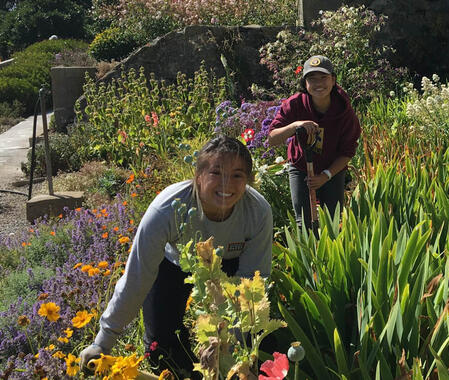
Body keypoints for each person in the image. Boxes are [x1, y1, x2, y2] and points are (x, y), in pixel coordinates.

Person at [79, 136, 273, 379]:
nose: (227, 184)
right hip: (176, 266)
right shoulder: (168, 209)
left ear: (248, 180)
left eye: (237, 175)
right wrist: (103, 342)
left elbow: (253, 281)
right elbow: (137, 278)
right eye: (216, 172)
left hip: (231, 267)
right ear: (199, 175)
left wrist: (231, 355)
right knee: (162, 350)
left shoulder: (258, 211)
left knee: (256, 344)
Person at [266, 55, 361, 229]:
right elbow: (272, 138)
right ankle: (309, 254)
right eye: (312, 79)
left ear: (333, 80)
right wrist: (295, 126)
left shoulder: (344, 111)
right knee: (304, 223)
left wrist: (325, 175)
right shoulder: (294, 104)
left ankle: (330, 254)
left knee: (332, 222)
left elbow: (347, 152)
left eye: (323, 78)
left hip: (332, 170)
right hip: (301, 167)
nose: (318, 84)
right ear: (305, 83)